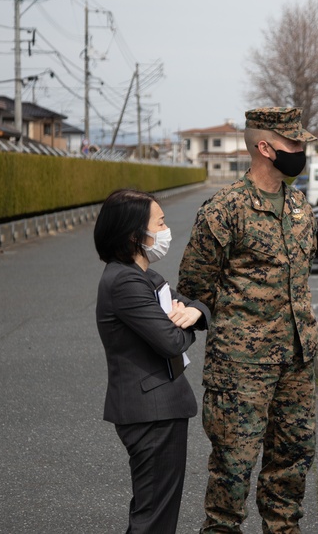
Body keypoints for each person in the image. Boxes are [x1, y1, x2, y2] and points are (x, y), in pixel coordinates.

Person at [178, 107, 318, 534]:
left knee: (292, 461)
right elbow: (194, 288)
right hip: (240, 367)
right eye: (293, 144)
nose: (300, 152)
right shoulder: (225, 209)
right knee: (233, 469)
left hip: (295, 361)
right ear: (265, 147)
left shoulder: (300, 207)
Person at [94, 188, 210, 534]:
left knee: (157, 510)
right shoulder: (126, 282)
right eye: (159, 223)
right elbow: (171, 340)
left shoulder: (144, 276)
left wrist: (191, 312)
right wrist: (185, 322)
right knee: (153, 517)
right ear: (135, 234)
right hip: (151, 412)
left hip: (159, 409)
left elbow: (192, 305)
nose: (165, 230)